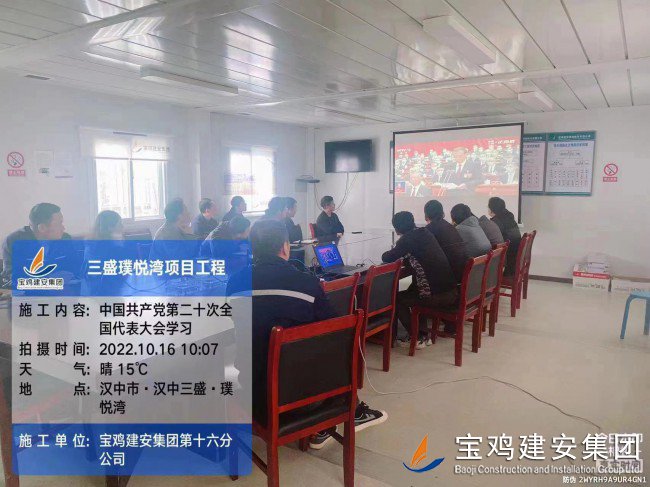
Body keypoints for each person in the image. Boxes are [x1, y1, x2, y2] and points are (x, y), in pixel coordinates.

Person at [227, 220, 386, 450]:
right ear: (285, 247)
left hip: (253, 389)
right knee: (333, 350)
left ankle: (326, 425)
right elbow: (335, 329)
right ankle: (348, 414)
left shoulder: (234, 282)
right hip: (300, 396)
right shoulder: (305, 283)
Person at [382, 211, 457, 348]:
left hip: (435, 293)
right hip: (449, 289)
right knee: (404, 286)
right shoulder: (424, 232)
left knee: (396, 297)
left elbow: (388, 257)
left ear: (397, 228)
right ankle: (422, 333)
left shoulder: (407, 240)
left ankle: (419, 337)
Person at [1, 203, 67, 286]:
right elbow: (12, 279)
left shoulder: (65, 238)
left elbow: (75, 269)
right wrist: (49, 279)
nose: (63, 228)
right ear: (42, 228)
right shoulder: (14, 242)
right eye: (59, 224)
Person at [423, 200, 469, 283]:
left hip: (448, 278)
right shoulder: (450, 226)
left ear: (426, 214)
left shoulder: (428, 230)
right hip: (462, 273)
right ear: (442, 212)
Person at [488, 197, 521, 276]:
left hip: (507, 262)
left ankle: (490, 281)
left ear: (492, 208)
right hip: (514, 258)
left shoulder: (496, 221)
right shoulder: (509, 216)